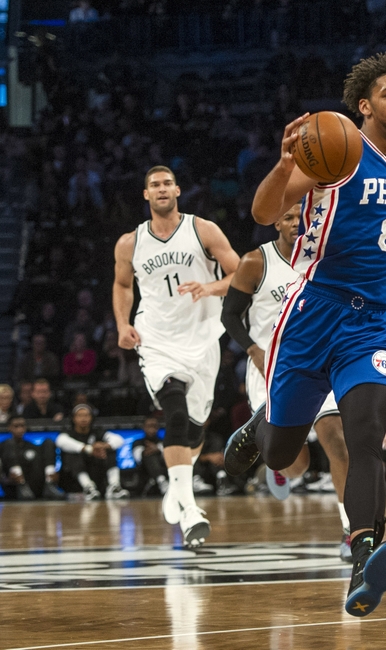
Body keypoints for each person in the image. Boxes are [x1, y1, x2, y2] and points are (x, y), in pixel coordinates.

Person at [223, 52, 386, 617]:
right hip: (314, 313)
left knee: (364, 439)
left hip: (373, 327)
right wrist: (285, 162)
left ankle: (364, 554)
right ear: (364, 105)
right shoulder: (336, 153)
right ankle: (259, 430)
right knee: (282, 454)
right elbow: (266, 212)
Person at [112, 165, 239, 547]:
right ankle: (189, 508)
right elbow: (121, 285)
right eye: (154, 184)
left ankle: (176, 487)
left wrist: (210, 286)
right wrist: (122, 325)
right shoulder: (129, 243)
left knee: (195, 428)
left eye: (167, 183)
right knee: (175, 412)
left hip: (201, 339)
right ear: (146, 195)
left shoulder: (203, 230)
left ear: (178, 190)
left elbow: (241, 275)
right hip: (156, 339)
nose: (162, 188)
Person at [220, 203, 353, 561]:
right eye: (289, 218)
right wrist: (252, 349)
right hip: (271, 369)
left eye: (303, 217)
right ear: (276, 222)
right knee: (295, 463)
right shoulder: (255, 263)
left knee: (337, 439)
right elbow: (229, 314)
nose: (297, 223)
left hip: (318, 365)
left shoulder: (325, 257)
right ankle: (275, 465)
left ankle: (350, 531)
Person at [56, 404, 128, 500]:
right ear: (73, 418)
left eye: (86, 415)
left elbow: (119, 440)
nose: (83, 418)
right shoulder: (68, 433)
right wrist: (89, 449)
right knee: (73, 452)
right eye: (80, 415)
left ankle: (114, 486)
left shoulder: (97, 432)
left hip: (96, 473)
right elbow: (61, 441)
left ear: (91, 417)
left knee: (109, 449)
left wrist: (104, 446)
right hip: (74, 479)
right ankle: (88, 487)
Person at [0, 416, 65, 500]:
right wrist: (7, 479)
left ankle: (50, 484)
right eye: (16, 426)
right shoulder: (4, 446)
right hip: (14, 488)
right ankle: (21, 485)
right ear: (9, 428)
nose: (20, 429)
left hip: (35, 486)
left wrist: (53, 474)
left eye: (22, 426)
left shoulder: (32, 446)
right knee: (9, 443)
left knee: (48, 442)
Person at [132, 415, 169, 496]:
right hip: (145, 474)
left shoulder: (165, 442)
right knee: (149, 456)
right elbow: (138, 458)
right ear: (144, 427)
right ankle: (161, 481)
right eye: (149, 426)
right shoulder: (137, 442)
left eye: (154, 426)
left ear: (158, 428)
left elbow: (169, 456)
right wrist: (151, 450)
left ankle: (162, 481)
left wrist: (158, 450)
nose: (152, 429)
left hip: (165, 472)